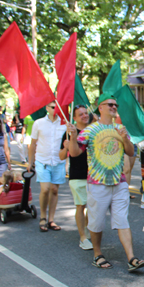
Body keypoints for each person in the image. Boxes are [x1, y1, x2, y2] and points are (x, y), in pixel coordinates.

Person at [67, 93, 144, 272]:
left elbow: (130, 152)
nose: (114, 107)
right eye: (110, 105)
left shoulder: (120, 128)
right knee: (96, 223)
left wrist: (125, 137)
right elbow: (74, 153)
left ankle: (131, 258)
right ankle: (97, 254)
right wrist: (73, 137)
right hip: (98, 184)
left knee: (122, 220)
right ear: (100, 107)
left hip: (119, 183)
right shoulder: (89, 130)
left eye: (115, 105)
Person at [28, 102, 66, 232]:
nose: (55, 109)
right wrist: (30, 162)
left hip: (58, 161)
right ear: (46, 108)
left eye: (57, 107)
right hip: (42, 161)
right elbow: (33, 143)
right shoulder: (38, 123)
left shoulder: (65, 123)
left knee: (54, 190)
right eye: (52, 107)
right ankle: (42, 217)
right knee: (45, 189)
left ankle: (51, 219)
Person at [59, 105, 93, 250]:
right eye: (81, 114)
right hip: (77, 174)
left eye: (86, 113)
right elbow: (60, 156)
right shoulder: (69, 133)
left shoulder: (93, 131)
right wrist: (67, 146)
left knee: (92, 207)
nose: (85, 116)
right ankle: (82, 238)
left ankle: (87, 229)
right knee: (81, 205)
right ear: (74, 118)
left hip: (94, 175)